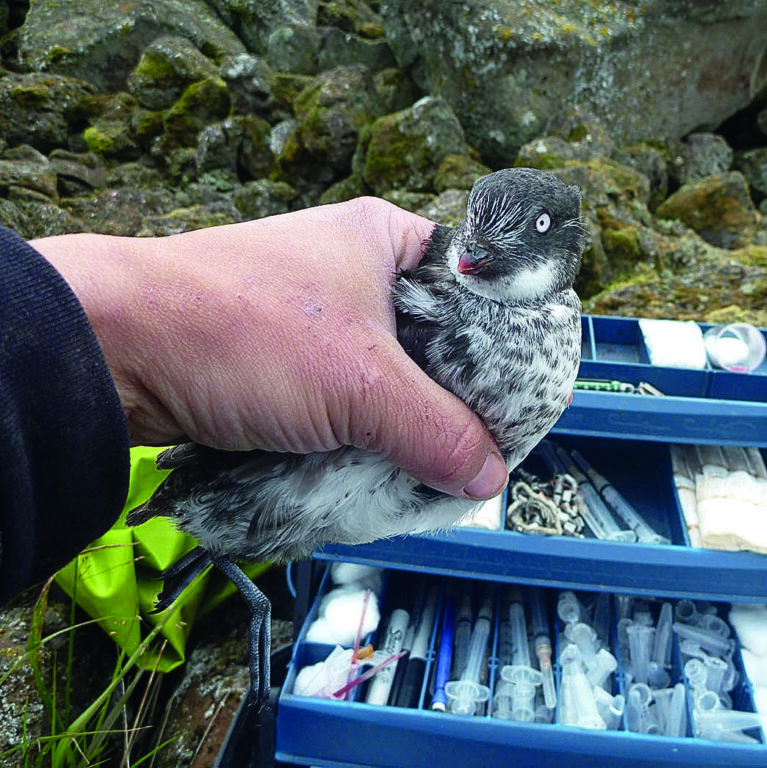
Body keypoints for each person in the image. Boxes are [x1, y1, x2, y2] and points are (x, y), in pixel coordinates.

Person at [0, 198, 509, 604]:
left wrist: (115, 334)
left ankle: (219, 557)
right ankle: (224, 562)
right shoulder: (437, 298)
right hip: (235, 492)